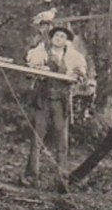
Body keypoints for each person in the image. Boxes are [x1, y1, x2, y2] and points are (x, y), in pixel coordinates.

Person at [22, 25, 87, 189]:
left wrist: (76, 74)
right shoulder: (41, 52)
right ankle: (31, 177)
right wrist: (38, 69)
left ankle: (61, 180)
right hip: (43, 101)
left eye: (62, 37)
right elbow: (30, 69)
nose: (59, 38)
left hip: (60, 102)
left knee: (61, 143)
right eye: (56, 36)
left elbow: (81, 73)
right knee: (36, 140)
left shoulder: (73, 57)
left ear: (66, 41)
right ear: (51, 39)